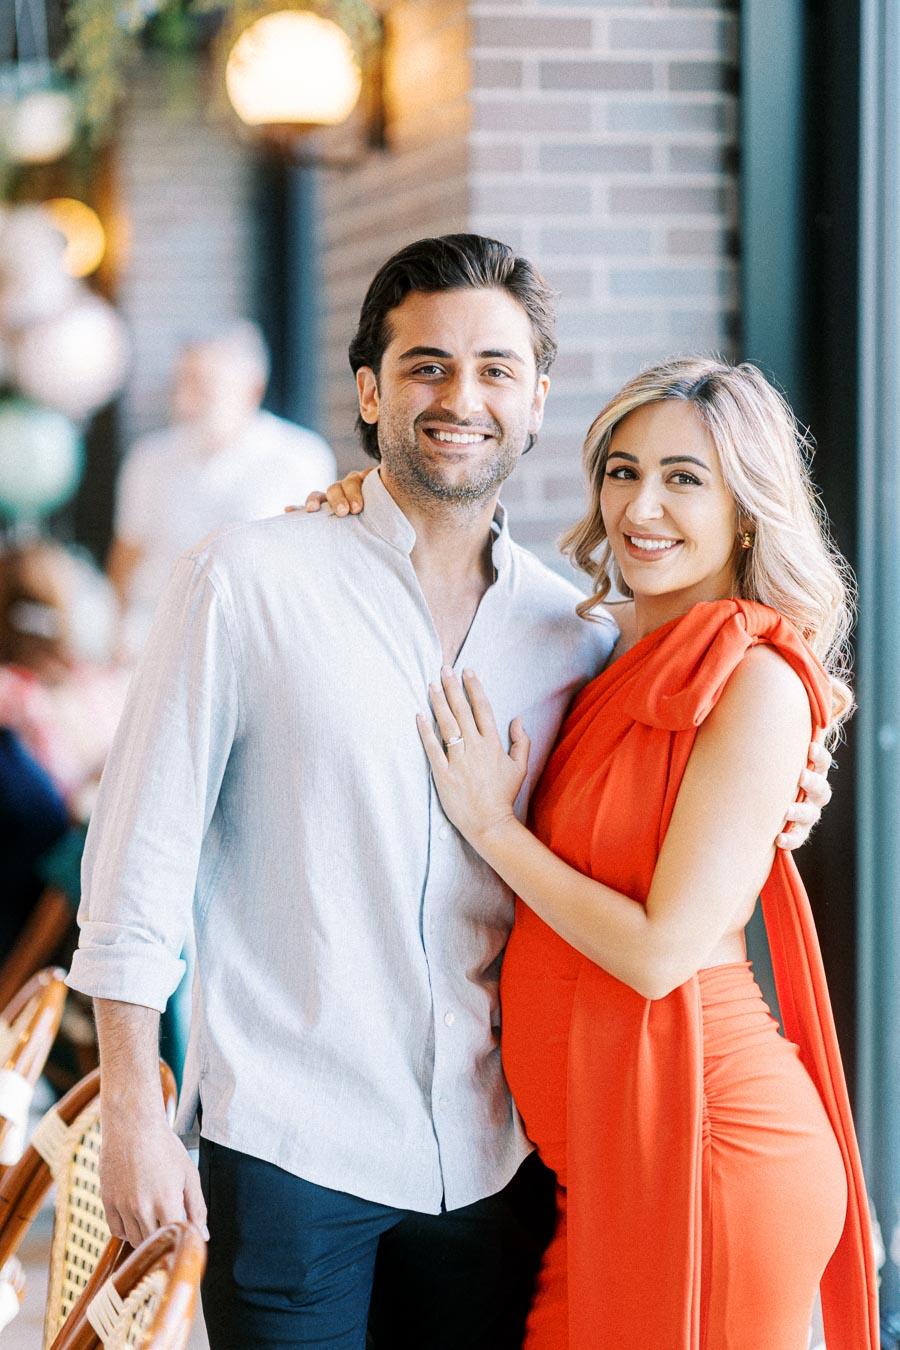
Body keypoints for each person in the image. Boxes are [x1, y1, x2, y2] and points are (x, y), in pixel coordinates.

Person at [67, 237, 831, 1350]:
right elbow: (137, 859)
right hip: (291, 1152)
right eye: (426, 366)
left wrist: (790, 784)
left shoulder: (571, 632)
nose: (459, 397)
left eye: (495, 370)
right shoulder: (249, 580)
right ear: (369, 390)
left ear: (535, 405)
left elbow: (702, 757)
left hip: (499, 1163)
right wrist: (132, 1102)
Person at [413, 358, 878, 1349]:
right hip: (608, 1159)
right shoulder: (597, 644)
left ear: (747, 509)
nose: (642, 506)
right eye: (623, 472)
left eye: (684, 477)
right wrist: (339, 512)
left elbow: (662, 950)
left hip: (708, 1146)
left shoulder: (756, 681)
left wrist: (493, 827)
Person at [107, 321, 336, 660]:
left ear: (253, 389)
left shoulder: (300, 457)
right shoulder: (149, 458)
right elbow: (125, 556)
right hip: (157, 640)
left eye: (202, 385)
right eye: (181, 384)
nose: (185, 402)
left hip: (257, 646)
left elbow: (319, 568)